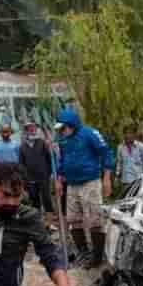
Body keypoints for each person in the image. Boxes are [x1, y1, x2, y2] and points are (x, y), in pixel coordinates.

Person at [54, 107, 114, 268]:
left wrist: (107, 178)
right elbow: (61, 160)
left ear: (72, 124)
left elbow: (106, 153)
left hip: (90, 182)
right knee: (73, 220)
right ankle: (84, 252)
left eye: (63, 127)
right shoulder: (62, 138)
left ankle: (97, 256)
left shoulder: (90, 133)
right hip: (72, 184)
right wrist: (59, 180)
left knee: (95, 220)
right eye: (60, 128)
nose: (61, 131)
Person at [18, 122, 54, 223]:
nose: (31, 130)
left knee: (47, 198)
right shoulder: (22, 147)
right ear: (25, 130)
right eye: (29, 128)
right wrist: (25, 177)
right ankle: (38, 222)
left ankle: (49, 223)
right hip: (30, 179)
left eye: (33, 128)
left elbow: (49, 158)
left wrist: (48, 173)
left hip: (43, 176)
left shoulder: (42, 143)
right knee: (34, 200)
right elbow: (21, 164)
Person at [115, 125, 143, 195]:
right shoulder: (120, 147)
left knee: (137, 200)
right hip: (125, 181)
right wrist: (117, 176)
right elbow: (119, 163)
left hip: (138, 181)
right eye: (126, 133)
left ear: (135, 134)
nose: (128, 135)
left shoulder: (142, 147)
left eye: (130, 133)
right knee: (125, 201)